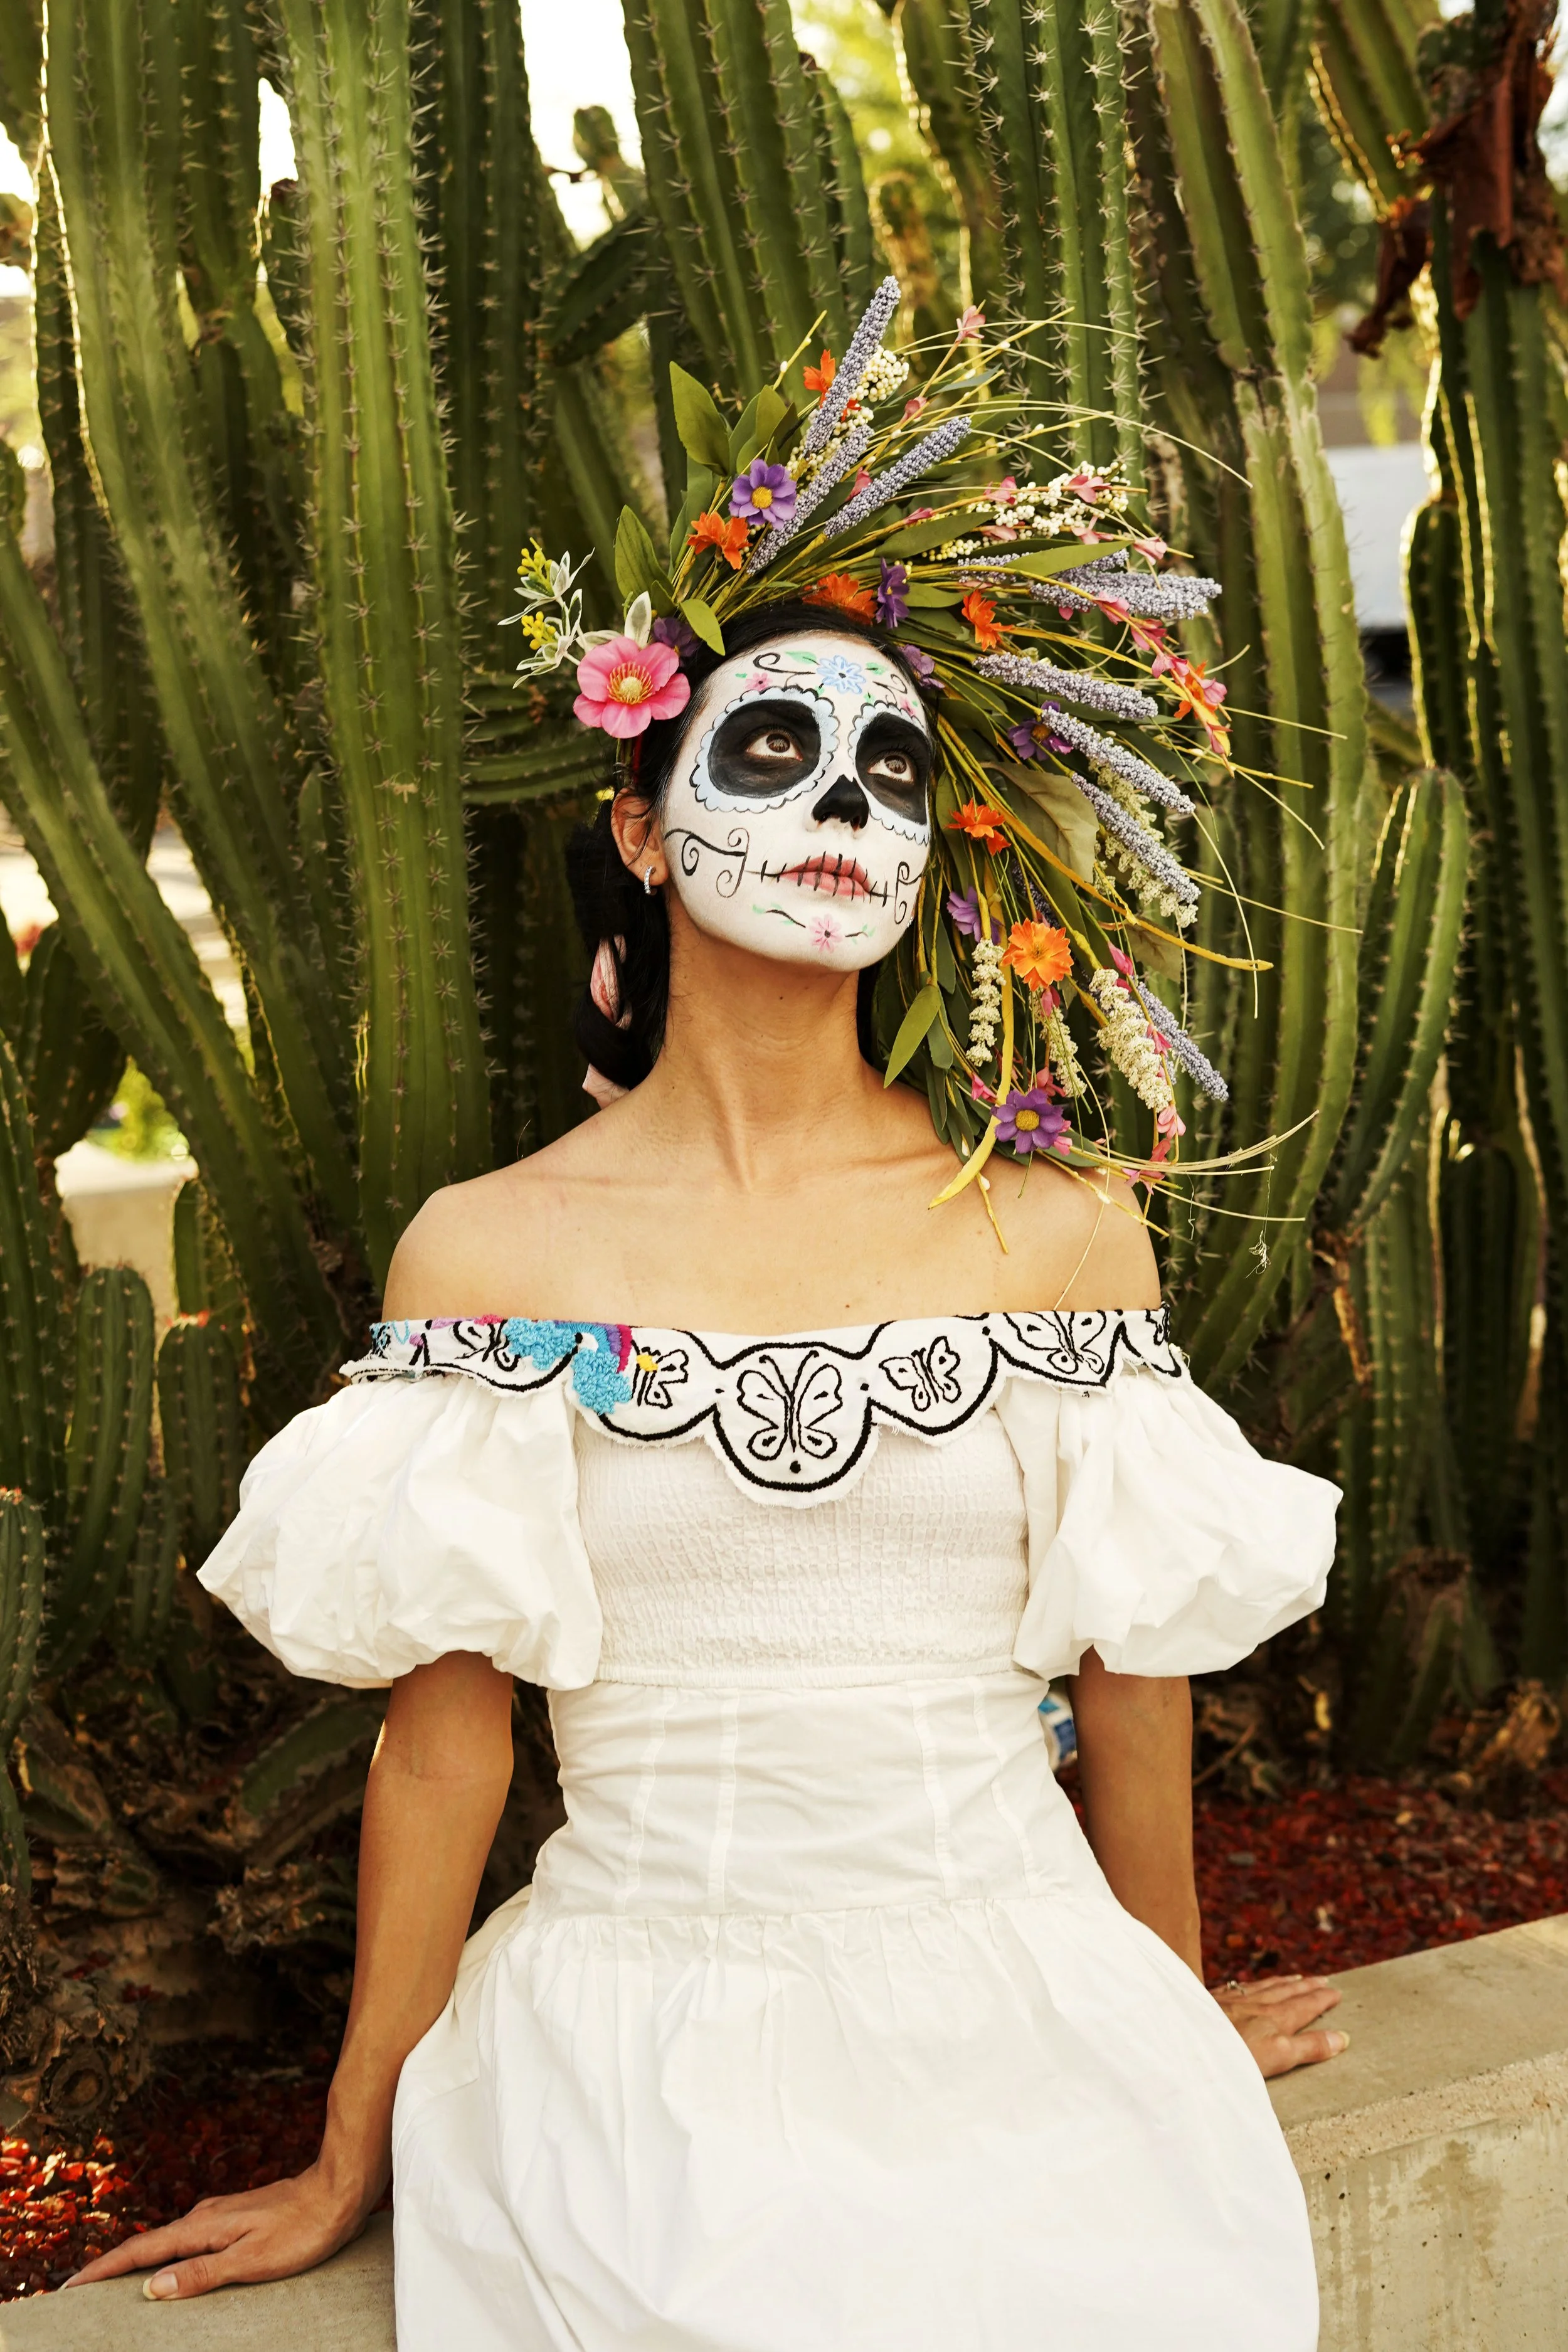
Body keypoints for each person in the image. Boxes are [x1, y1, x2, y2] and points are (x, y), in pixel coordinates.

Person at [70, 290, 1345, 2344]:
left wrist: (1164, 2001)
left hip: (1022, 1994)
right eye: (772, 748)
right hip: (633, 2033)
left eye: (892, 772)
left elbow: (1134, 1682)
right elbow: (444, 1746)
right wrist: (347, 2146)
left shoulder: (1055, 1234)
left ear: (933, 852)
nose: (841, 804)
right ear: (645, 831)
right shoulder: (487, 1257)